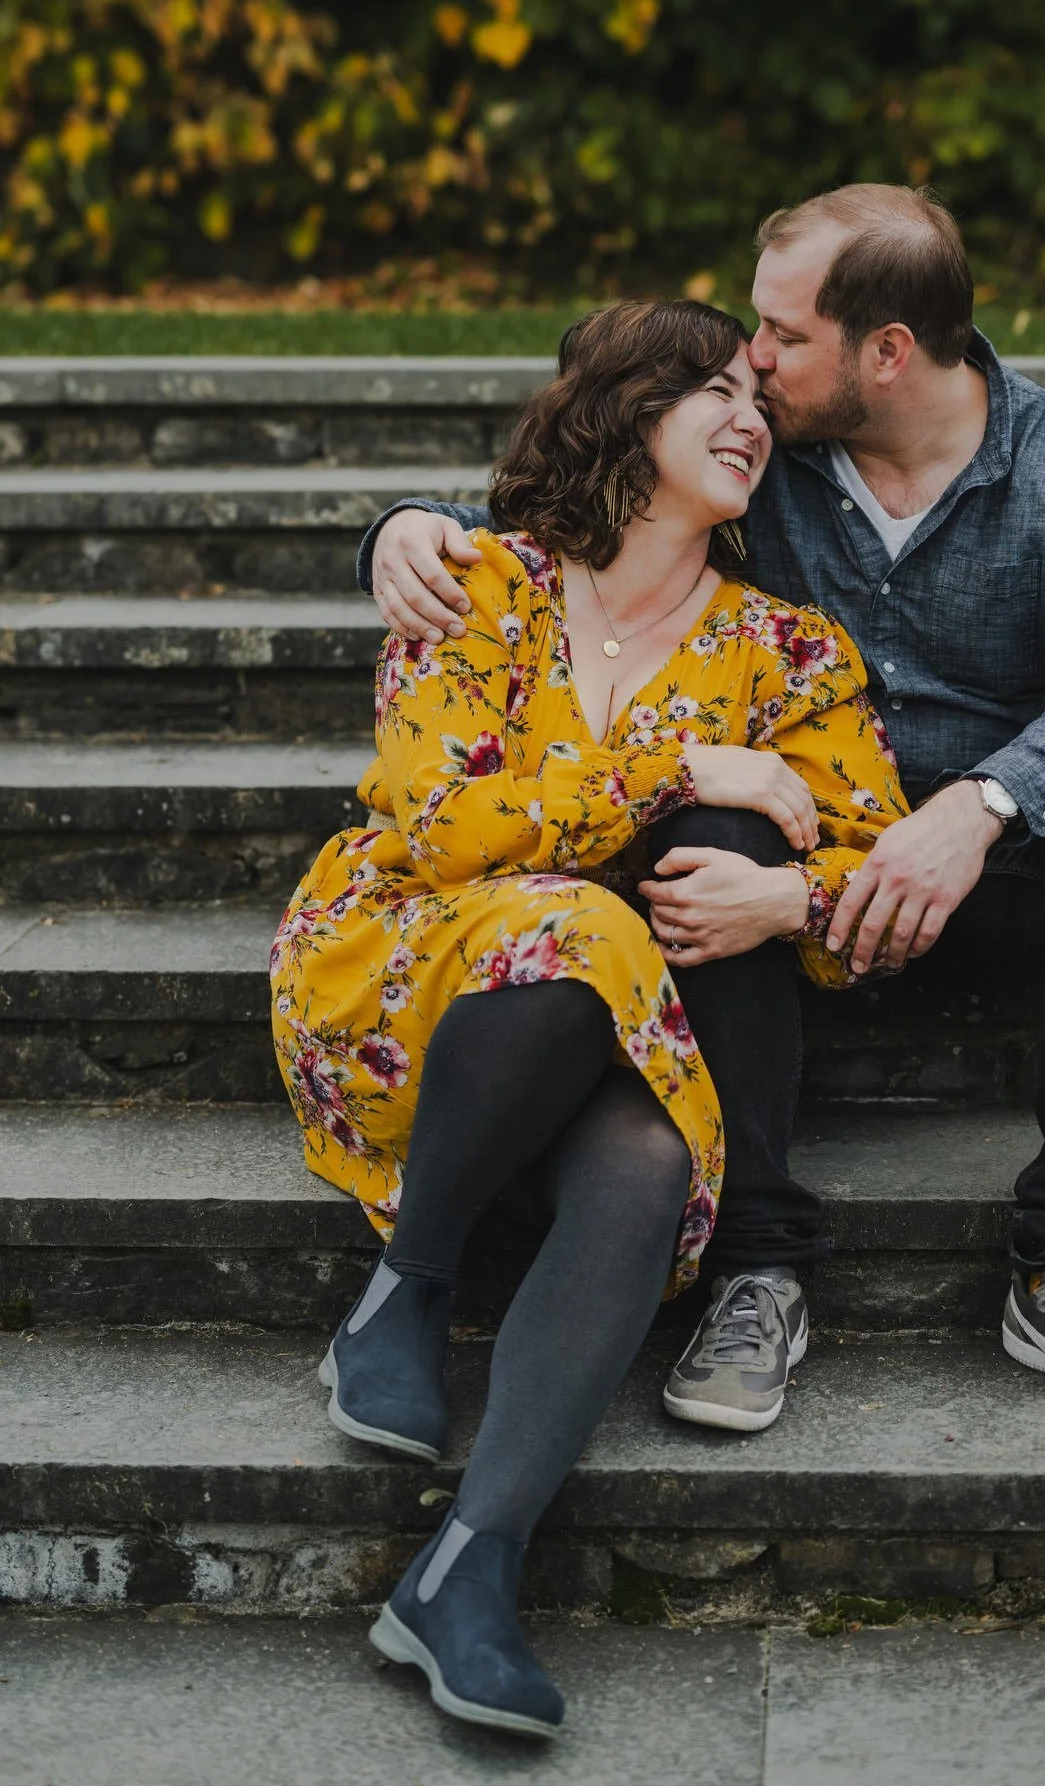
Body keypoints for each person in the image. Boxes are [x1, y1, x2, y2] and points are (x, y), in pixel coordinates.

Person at [364, 184, 1045, 1439]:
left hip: (978, 869)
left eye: (781, 334)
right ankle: (757, 1261)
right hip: (783, 867)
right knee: (717, 827)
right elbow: (576, 477)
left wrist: (978, 807)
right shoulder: (769, 446)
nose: (751, 361)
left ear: (885, 352)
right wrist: (404, 525)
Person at [272, 296, 905, 1737]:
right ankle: (410, 1286)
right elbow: (441, 823)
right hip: (403, 968)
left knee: (649, 1161)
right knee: (586, 917)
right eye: (714, 392)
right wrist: (686, 766)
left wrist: (787, 902)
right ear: (626, 412)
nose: (752, 415)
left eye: (762, 395)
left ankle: (468, 1568)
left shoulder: (791, 657)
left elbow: (872, 851)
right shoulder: (479, 587)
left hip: (611, 1015)